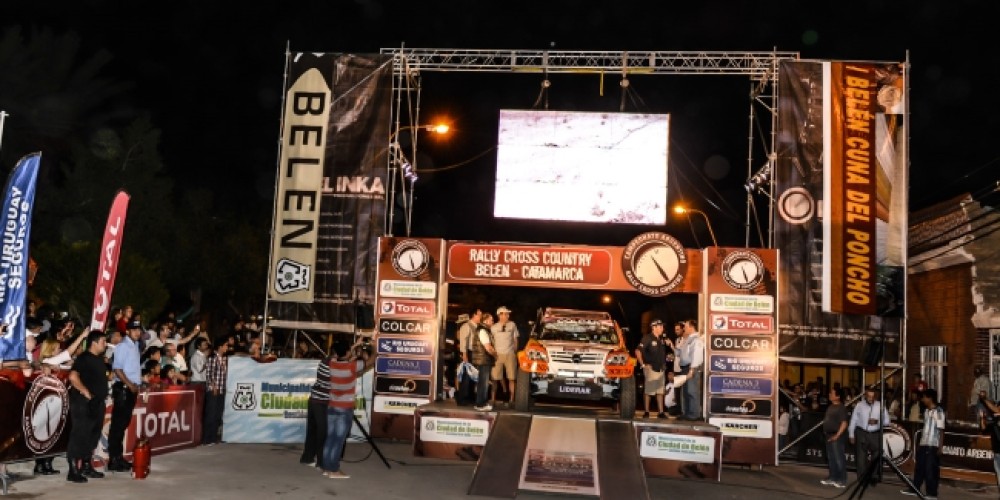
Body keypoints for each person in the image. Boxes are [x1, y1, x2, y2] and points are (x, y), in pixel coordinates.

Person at [322, 337, 373, 479]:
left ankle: (326, 468)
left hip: (332, 406)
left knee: (330, 438)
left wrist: (353, 346)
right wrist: (375, 347)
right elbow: (371, 360)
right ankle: (334, 470)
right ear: (347, 351)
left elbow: (340, 354)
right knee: (338, 440)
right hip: (344, 408)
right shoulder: (352, 366)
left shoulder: (332, 363)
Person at [66, 330, 110, 483]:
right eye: (103, 342)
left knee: (93, 435)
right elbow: (73, 376)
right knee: (80, 434)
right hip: (83, 402)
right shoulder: (84, 358)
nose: (105, 344)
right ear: (95, 342)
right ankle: (72, 470)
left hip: (97, 402)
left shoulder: (99, 359)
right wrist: (86, 393)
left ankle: (86, 466)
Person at [108, 319, 143, 472]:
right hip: (123, 388)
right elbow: (117, 369)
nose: (138, 332)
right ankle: (114, 460)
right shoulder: (123, 346)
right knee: (118, 426)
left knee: (122, 425)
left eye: (139, 330)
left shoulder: (135, 345)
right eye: (134, 330)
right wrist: (129, 385)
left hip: (131, 388)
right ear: (127, 331)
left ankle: (118, 458)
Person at [902, 389, 945, 498]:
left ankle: (932, 493)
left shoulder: (938, 411)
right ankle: (915, 488)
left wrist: (940, 447)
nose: (923, 399)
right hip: (924, 443)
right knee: (919, 468)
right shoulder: (926, 412)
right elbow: (925, 428)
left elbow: (941, 430)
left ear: (930, 398)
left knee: (931, 470)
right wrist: (920, 443)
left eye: (924, 397)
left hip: (932, 445)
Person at [848, 387, 891, 485]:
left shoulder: (880, 406)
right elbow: (853, 420)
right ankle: (862, 479)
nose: (871, 398)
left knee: (876, 456)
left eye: (873, 396)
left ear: (876, 396)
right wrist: (851, 434)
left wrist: (878, 421)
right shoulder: (859, 405)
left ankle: (873, 476)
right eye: (869, 396)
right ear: (865, 396)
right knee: (861, 457)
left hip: (875, 434)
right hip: (861, 433)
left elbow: (887, 422)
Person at [301, 350, 333, 468]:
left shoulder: (324, 362)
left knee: (313, 431)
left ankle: (307, 458)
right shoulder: (333, 365)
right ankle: (321, 461)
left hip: (314, 399)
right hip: (322, 402)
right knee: (322, 432)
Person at [635, 318, 672, 418]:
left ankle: (661, 412)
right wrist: (642, 364)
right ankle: (646, 411)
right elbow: (638, 351)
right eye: (660, 326)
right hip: (650, 368)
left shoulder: (662, 339)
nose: (662, 328)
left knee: (660, 391)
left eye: (662, 326)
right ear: (653, 327)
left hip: (661, 368)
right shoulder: (647, 338)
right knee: (649, 391)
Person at [490, 306, 519, 406]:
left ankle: (511, 399)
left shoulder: (512, 325)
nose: (507, 315)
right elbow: (491, 341)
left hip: (509, 354)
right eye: (505, 314)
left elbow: (515, 339)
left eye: (508, 314)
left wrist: (514, 352)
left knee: (512, 377)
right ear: (500, 315)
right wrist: (493, 353)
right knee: (494, 377)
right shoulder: (493, 327)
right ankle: (493, 399)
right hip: (497, 355)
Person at [820, 388, 849, 488]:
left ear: (838, 396)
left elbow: (844, 423)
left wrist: (837, 435)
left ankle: (842, 480)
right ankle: (833, 478)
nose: (829, 394)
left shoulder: (841, 408)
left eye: (832, 393)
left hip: (836, 436)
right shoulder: (831, 406)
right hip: (828, 435)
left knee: (838, 458)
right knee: (831, 458)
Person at [203, 340, 230, 445]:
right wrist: (213, 387)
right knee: (211, 414)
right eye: (225, 345)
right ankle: (207, 438)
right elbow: (209, 374)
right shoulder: (213, 358)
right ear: (220, 347)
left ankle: (214, 437)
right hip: (214, 389)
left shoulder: (223, 359)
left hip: (221, 388)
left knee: (218, 414)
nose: (226, 347)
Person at [678, 319, 704, 420]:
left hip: (691, 368)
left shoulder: (696, 339)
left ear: (691, 327)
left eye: (686, 326)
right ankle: (687, 413)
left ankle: (694, 414)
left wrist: (692, 370)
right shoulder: (688, 339)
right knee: (685, 392)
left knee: (692, 391)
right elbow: (681, 353)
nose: (684, 328)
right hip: (685, 368)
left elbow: (697, 355)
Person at [470, 313, 497, 411]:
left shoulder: (483, 330)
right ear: (485, 321)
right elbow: (488, 347)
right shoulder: (483, 330)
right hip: (483, 360)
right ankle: (481, 404)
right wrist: (495, 355)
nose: (493, 322)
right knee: (483, 383)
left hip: (483, 360)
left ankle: (481, 403)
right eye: (491, 320)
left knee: (483, 382)